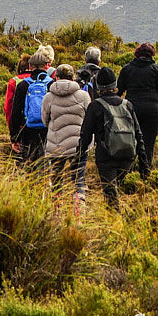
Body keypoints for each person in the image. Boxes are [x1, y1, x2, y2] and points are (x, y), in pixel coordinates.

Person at [77, 67, 146, 209]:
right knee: (117, 190)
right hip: (128, 155)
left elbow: (86, 135)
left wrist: (77, 158)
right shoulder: (127, 105)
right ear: (115, 85)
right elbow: (138, 134)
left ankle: (115, 224)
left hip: (106, 157)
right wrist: (144, 163)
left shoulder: (95, 106)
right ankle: (122, 219)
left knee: (110, 194)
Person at [41, 64, 92, 212]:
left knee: (56, 179)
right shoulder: (83, 96)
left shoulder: (49, 97)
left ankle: (56, 210)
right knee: (78, 179)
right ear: (72, 77)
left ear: (56, 77)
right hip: (78, 145)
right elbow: (88, 119)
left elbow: (45, 120)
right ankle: (79, 212)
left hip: (55, 145)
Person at [118, 42, 158, 173]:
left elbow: (119, 91)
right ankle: (145, 171)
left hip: (132, 109)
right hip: (152, 110)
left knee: (131, 140)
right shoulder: (156, 69)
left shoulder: (127, 69)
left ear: (137, 53)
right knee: (148, 142)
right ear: (151, 55)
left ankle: (128, 170)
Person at [9, 45, 56, 167]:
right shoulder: (52, 85)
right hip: (47, 130)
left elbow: (15, 113)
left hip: (26, 129)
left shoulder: (23, 85)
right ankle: (43, 184)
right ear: (46, 66)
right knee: (44, 163)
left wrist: (15, 137)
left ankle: (28, 184)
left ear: (30, 67)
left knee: (27, 165)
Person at [2, 54, 32, 154]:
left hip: (20, 126)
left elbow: (8, 108)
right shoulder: (41, 80)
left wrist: (13, 133)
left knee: (22, 159)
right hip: (39, 124)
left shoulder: (13, 82)